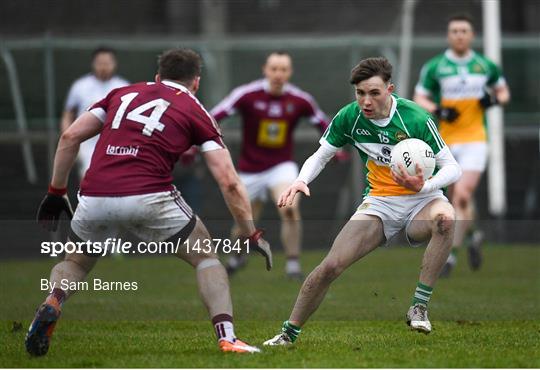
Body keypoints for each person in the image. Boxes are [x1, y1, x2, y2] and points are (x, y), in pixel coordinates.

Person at [26, 49, 272, 356]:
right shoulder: (196, 109)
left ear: (158, 77)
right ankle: (228, 337)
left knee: (74, 262)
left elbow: (69, 137)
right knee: (206, 257)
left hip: (95, 195)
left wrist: (56, 191)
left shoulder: (121, 93)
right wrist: (250, 233)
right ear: (196, 82)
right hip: (149, 196)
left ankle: (53, 301)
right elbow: (230, 181)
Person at [263, 57, 462, 346]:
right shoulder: (349, 117)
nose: (365, 101)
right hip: (380, 204)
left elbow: (453, 168)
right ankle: (288, 334)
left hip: (423, 201)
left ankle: (419, 305)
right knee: (330, 267)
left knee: (446, 218)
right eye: (360, 93)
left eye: (374, 93)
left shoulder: (417, 118)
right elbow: (321, 155)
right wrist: (301, 180)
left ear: (390, 89)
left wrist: (426, 185)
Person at [211, 51, 344, 279]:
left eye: (283, 69)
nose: (278, 74)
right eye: (274, 69)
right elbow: (213, 116)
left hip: (281, 166)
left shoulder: (300, 99)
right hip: (249, 169)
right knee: (244, 220)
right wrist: (200, 141)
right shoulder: (246, 95)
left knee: (290, 208)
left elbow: (324, 123)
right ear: (265, 70)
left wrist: (337, 150)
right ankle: (238, 256)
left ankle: (292, 265)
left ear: (289, 73)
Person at [413, 14, 510, 276]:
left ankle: (451, 256)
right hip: (445, 141)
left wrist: (493, 101)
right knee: (458, 199)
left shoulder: (485, 65)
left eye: (463, 31)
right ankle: (474, 235)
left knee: (462, 196)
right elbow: (419, 97)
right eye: (454, 31)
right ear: (448, 35)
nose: (459, 35)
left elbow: (503, 92)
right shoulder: (435, 66)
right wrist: (438, 110)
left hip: (476, 139)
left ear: (471, 35)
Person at [60, 47, 129, 180]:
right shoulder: (80, 86)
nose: (103, 67)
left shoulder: (124, 86)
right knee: (89, 176)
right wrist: (69, 141)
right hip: (87, 140)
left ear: (114, 64)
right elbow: (68, 114)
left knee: (114, 178)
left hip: (114, 139)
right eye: (100, 63)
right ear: (93, 63)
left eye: (107, 63)